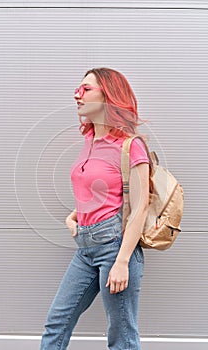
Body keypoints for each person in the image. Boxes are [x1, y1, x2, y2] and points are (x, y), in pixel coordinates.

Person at [39, 67, 153, 350]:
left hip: (115, 247)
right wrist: (73, 218)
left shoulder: (130, 146)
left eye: (86, 89)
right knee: (57, 322)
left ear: (109, 96)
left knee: (122, 337)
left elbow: (140, 208)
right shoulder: (89, 140)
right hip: (85, 247)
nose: (77, 95)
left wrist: (123, 262)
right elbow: (95, 192)